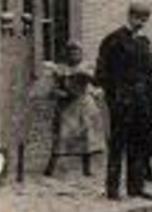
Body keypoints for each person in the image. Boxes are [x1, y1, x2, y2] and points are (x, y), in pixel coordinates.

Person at [95, 2, 152, 201]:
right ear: (129, 16)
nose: (140, 22)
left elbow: (150, 72)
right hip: (121, 100)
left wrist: (151, 101)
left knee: (139, 144)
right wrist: (113, 97)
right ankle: (112, 189)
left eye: (144, 19)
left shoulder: (144, 42)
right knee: (118, 144)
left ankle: (136, 187)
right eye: (137, 18)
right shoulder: (114, 39)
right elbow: (102, 72)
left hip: (141, 101)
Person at [42, 43, 105, 178]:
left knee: (86, 136)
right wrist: (60, 93)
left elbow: (97, 83)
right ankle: (50, 168)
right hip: (67, 106)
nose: (74, 56)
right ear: (66, 54)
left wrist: (88, 77)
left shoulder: (87, 67)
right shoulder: (60, 69)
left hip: (84, 104)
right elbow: (52, 89)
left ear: (81, 54)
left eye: (77, 53)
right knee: (61, 135)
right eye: (71, 53)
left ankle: (87, 169)